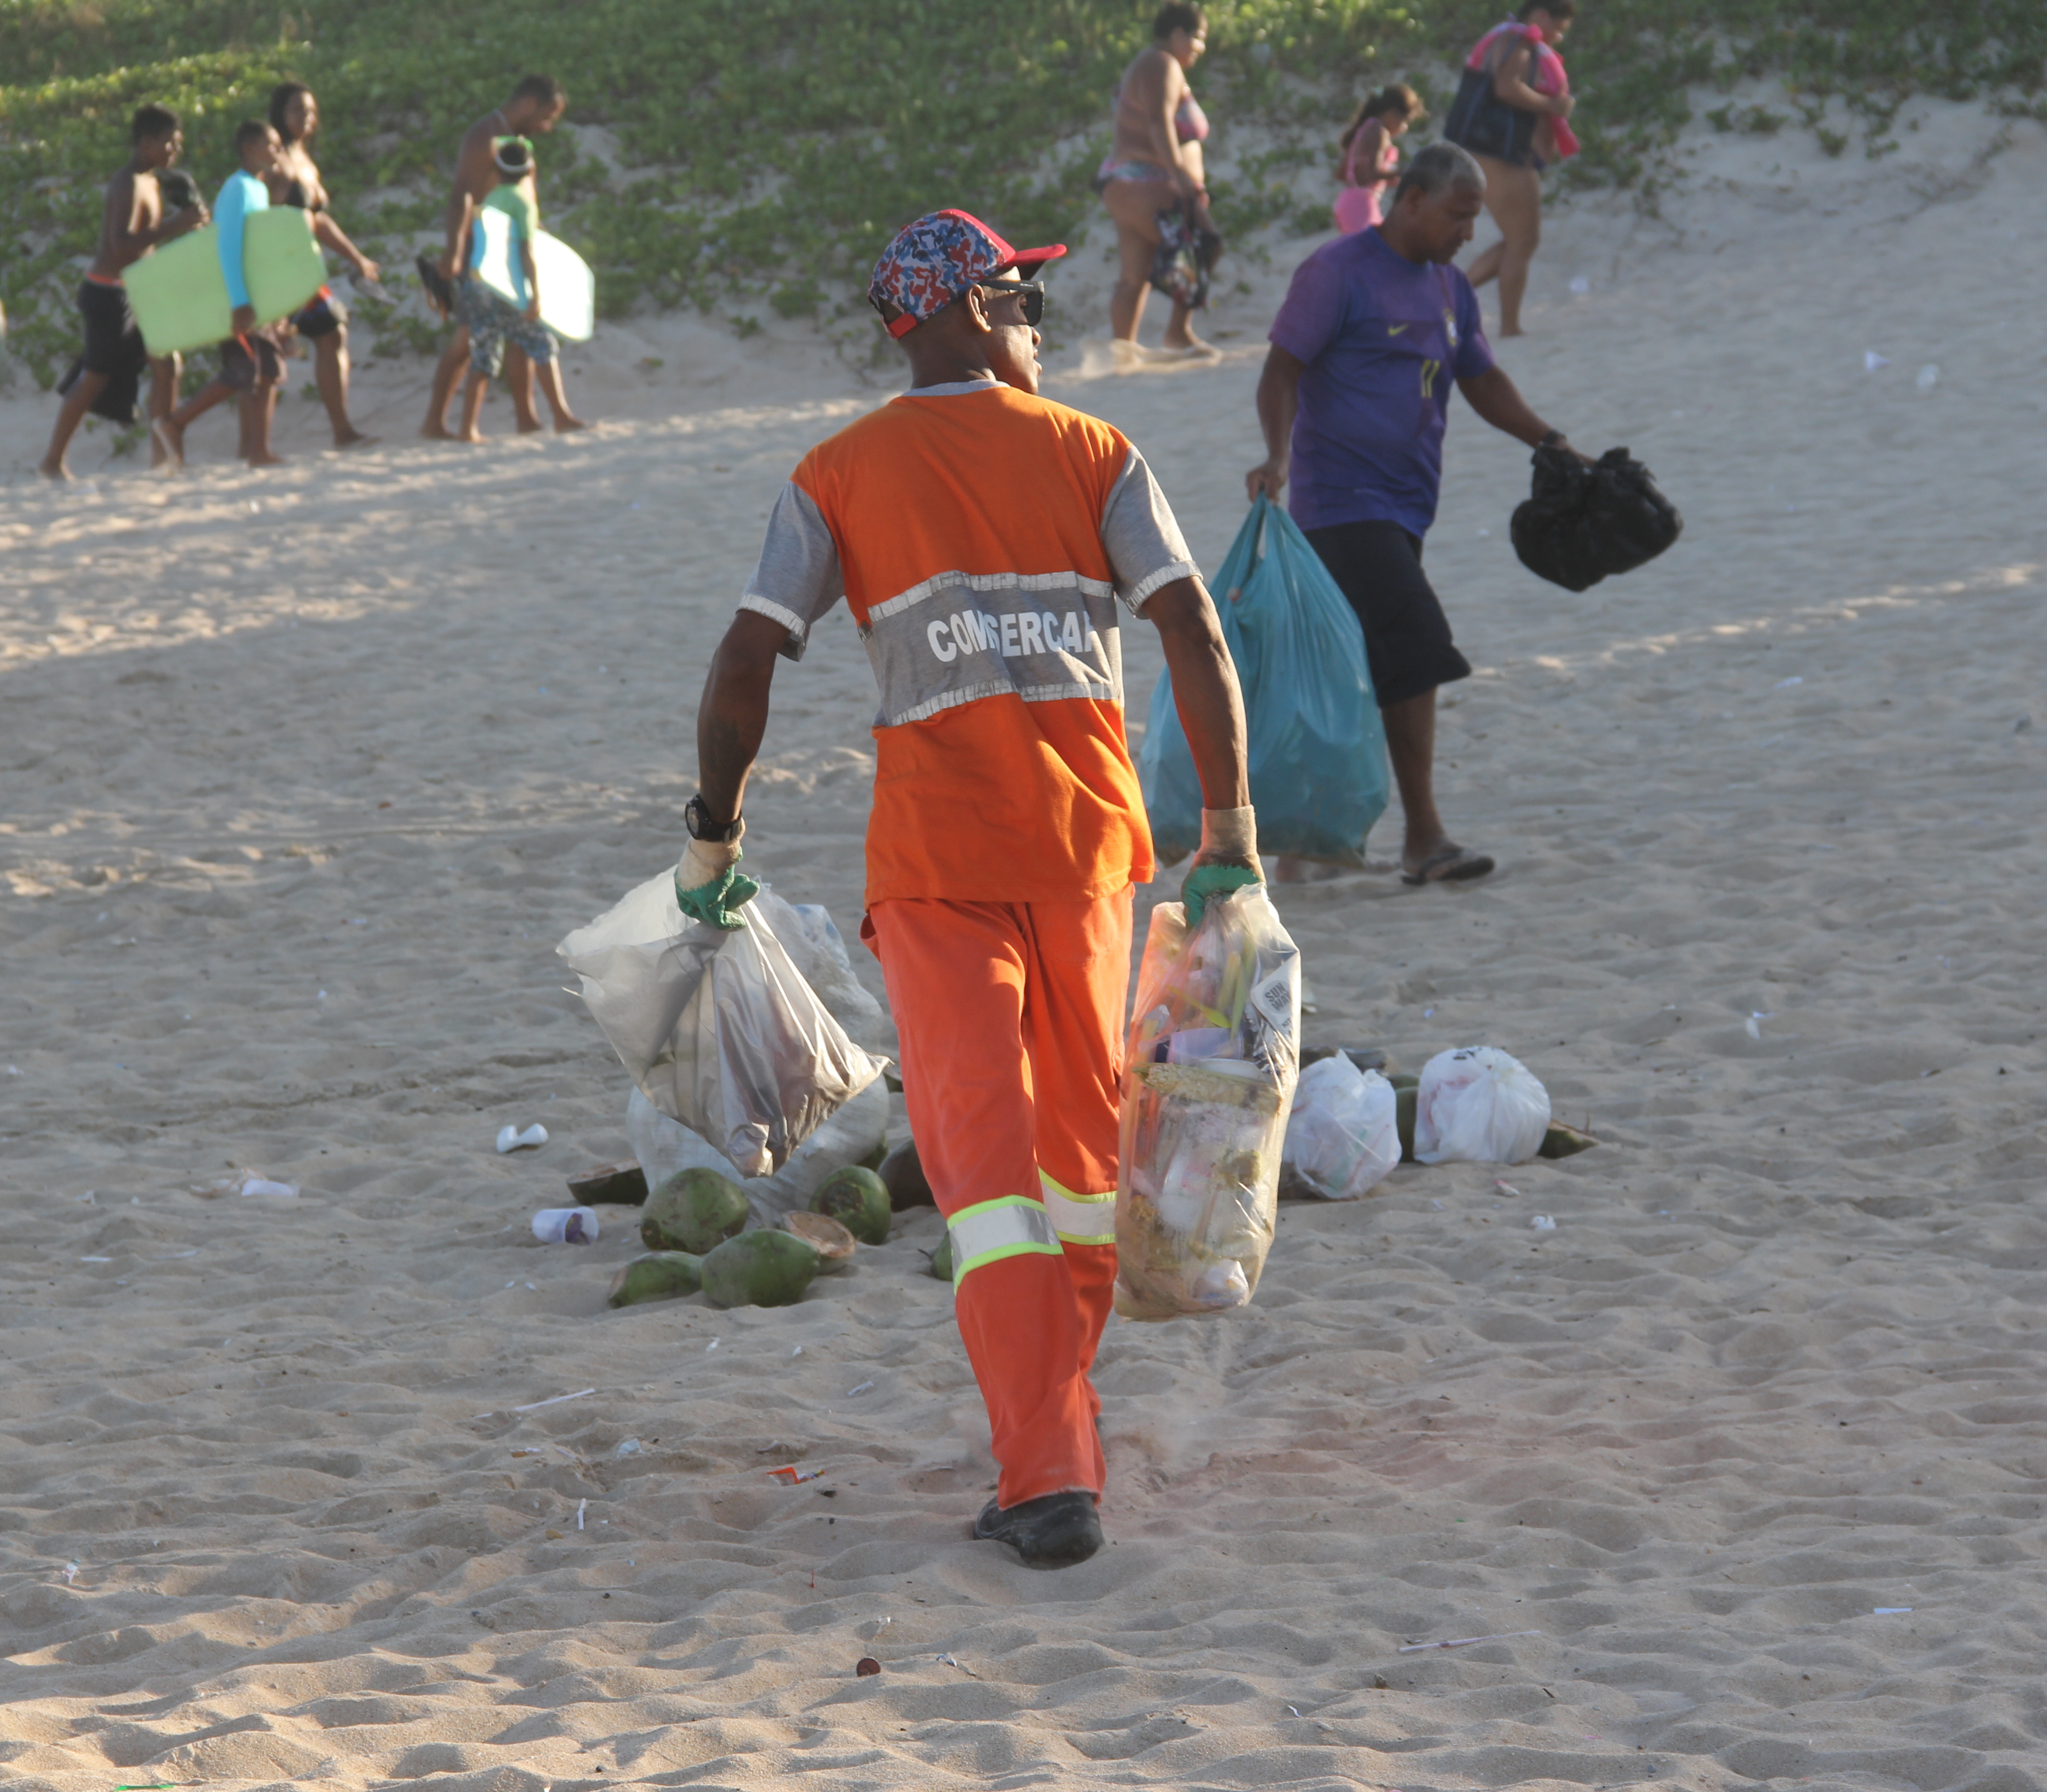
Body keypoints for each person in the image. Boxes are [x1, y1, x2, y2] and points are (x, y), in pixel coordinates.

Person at [680, 208, 1260, 1569]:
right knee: (1071, 1169)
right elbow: (1192, 626)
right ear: (958, 309)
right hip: (1087, 865)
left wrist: (714, 837)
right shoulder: (1098, 456)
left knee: (992, 1185)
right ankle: (1053, 1432)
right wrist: (1228, 829)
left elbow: (746, 661)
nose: (1036, 325)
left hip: (939, 877)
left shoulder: (833, 478)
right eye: (1021, 299)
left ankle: (1048, 1466)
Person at [1245, 144, 1586, 887]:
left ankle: (1301, 847)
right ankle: (1424, 839)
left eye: (1476, 217)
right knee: (1417, 644)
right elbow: (1281, 373)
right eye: (1460, 215)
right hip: (1339, 506)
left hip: (1408, 506)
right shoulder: (1335, 275)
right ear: (1410, 202)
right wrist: (1278, 457)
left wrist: (1553, 442)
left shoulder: (1451, 289)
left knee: (1356, 669)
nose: (1470, 231)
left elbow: (1482, 379)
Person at [38, 105, 204, 480]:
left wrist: (185, 223)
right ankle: (52, 460)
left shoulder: (152, 180)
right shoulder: (126, 183)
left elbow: (144, 246)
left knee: (168, 366)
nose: (175, 152)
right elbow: (119, 247)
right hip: (110, 294)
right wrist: (174, 225)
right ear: (147, 144)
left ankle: (163, 459)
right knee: (94, 377)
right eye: (170, 144)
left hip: (139, 291)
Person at [421, 75, 568, 439]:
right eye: (547, 116)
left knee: (519, 332)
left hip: (514, 246)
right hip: (480, 250)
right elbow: (461, 197)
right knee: (466, 340)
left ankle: (527, 417)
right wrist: (454, 250)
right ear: (530, 104)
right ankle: (435, 422)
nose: (547, 127)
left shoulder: (516, 142)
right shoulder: (484, 136)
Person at [153, 120, 291, 470]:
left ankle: (259, 451)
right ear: (249, 149)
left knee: (268, 371)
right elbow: (228, 246)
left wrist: (275, 307)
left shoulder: (259, 189)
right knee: (244, 370)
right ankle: (174, 423)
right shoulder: (239, 189)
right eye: (271, 145)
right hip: (236, 297)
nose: (278, 151)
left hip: (255, 297)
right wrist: (239, 301)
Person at [1440, 2, 1579, 338]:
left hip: (1488, 151)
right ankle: (1508, 326)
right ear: (1542, 16)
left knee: (1521, 241)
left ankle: (1449, 303)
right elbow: (1506, 87)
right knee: (1523, 242)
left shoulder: (1509, 36)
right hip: (1498, 153)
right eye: (1558, 29)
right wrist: (1552, 105)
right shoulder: (1520, 41)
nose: (1558, 38)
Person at [1097, 3, 1219, 362]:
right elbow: (1159, 123)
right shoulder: (1160, 63)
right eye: (1198, 39)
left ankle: (1123, 353)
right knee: (1203, 243)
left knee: (1135, 274)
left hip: (1130, 183)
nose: (1200, 48)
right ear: (1178, 33)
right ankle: (1177, 333)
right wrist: (1183, 179)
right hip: (1145, 179)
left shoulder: (1155, 64)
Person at [266, 81, 382, 449]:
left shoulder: (304, 160)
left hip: (305, 272)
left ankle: (342, 430)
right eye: (299, 110)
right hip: (281, 272)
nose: (308, 118)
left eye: (311, 111)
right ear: (280, 115)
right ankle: (251, 445)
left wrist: (356, 258)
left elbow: (317, 220)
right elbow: (257, 222)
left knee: (331, 334)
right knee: (266, 356)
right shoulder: (272, 163)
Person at [451, 138, 590, 441]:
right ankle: (562, 416)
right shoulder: (522, 201)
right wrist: (536, 295)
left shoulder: (490, 200)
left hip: (478, 286)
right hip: (504, 290)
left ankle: (467, 429)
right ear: (529, 170)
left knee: (484, 355)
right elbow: (526, 250)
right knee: (542, 344)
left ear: (497, 172)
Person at [1333, 83, 1423, 236]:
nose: (1404, 128)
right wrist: (1402, 173)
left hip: (1348, 202)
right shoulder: (1379, 132)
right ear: (1393, 114)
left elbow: (1342, 173)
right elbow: (1372, 173)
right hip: (1360, 205)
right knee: (1370, 253)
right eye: (1405, 121)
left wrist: (1385, 179)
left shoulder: (1366, 129)